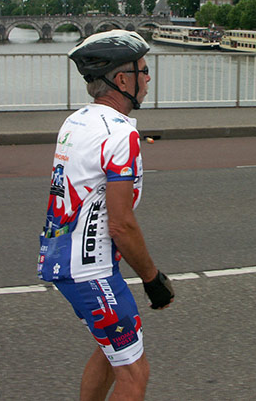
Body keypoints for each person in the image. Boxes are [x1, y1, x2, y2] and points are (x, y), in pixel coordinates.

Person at [37, 30, 174, 400]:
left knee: (111, 350)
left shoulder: (76, 122)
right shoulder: (120, 136)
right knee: (134, 373)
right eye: (144, 70)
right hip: (90, 271)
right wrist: (152, 278)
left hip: (64, 259)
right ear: (122, 79)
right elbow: (121, 223)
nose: (148, 78)